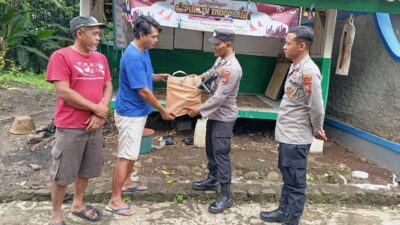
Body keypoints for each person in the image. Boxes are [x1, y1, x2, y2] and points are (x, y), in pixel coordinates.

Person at [46, 16, 113, 225]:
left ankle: (78, 204)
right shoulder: (61, 56)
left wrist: (99, 114)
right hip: (70, 126)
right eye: (94, 33)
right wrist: (97, 109)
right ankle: (56, 215)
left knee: (87, 169)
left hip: (95, 126)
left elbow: (108, 86)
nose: (98, 37)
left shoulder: (100, 59)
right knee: (62, 174)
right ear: (79, 33)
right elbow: (63, 91)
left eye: (98, 33)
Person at [106, 15, 175, 216]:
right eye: (153, 36)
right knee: (125, 155)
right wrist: (162, 110)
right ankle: (114, 200)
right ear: (142, 34)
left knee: (132, 152)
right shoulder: (133, 56)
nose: (156, 40)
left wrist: (159, 76)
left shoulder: (143, 51)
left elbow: (145, 77)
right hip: (130, 113)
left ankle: (127, 183)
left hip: (137, 112)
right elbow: (143, 91)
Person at [259, 26, 327, 225]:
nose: (284, 47)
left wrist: (317, 129)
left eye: (288, 43)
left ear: (302, 45)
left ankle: (292, 219)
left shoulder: (308, 71)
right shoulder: (295, 66)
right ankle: (283, 211)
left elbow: (316, 106)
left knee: (296, 183)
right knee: (288, 176)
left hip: (296, 138)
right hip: (288, 135)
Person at [185, 28, 242, 214]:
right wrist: (199, 77)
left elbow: (219, 98)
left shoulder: (233, 68)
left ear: (228, 44)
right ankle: (212, 178)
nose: (214, 48)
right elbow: (211, 72)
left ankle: (226, 195)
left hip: (224, 118)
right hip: (215, 115)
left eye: (217, 45)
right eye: (214, 44)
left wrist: (198, 110)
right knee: (211, 149)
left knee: (221, 154)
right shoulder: (221, 60)